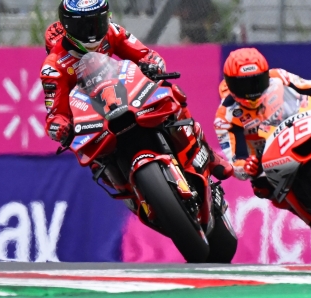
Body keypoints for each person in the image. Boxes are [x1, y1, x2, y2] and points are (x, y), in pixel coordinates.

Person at [40, 0, 233, 186]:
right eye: (82, 27)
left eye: (97, 22)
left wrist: (152, 64)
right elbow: (56, 113)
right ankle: (125, 188)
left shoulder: (112, 31)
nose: (92, 32)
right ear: (67, 29)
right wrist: (61, 127)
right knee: (91, 156)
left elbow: (144, 54)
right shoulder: (54, 66)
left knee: (169, 92)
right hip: (91, 114)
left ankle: (206, 153)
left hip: (120, 95)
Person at [214, 47, 311, 202]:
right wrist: (247, 167)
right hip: (271, 159)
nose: (252, 91)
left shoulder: (278, 77)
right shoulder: (225, 116)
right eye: (244, 86)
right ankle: (308, 210)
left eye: (257, 81)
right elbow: (236, 161)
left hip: (304, 127)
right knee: (261, 187)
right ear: (230, 84)